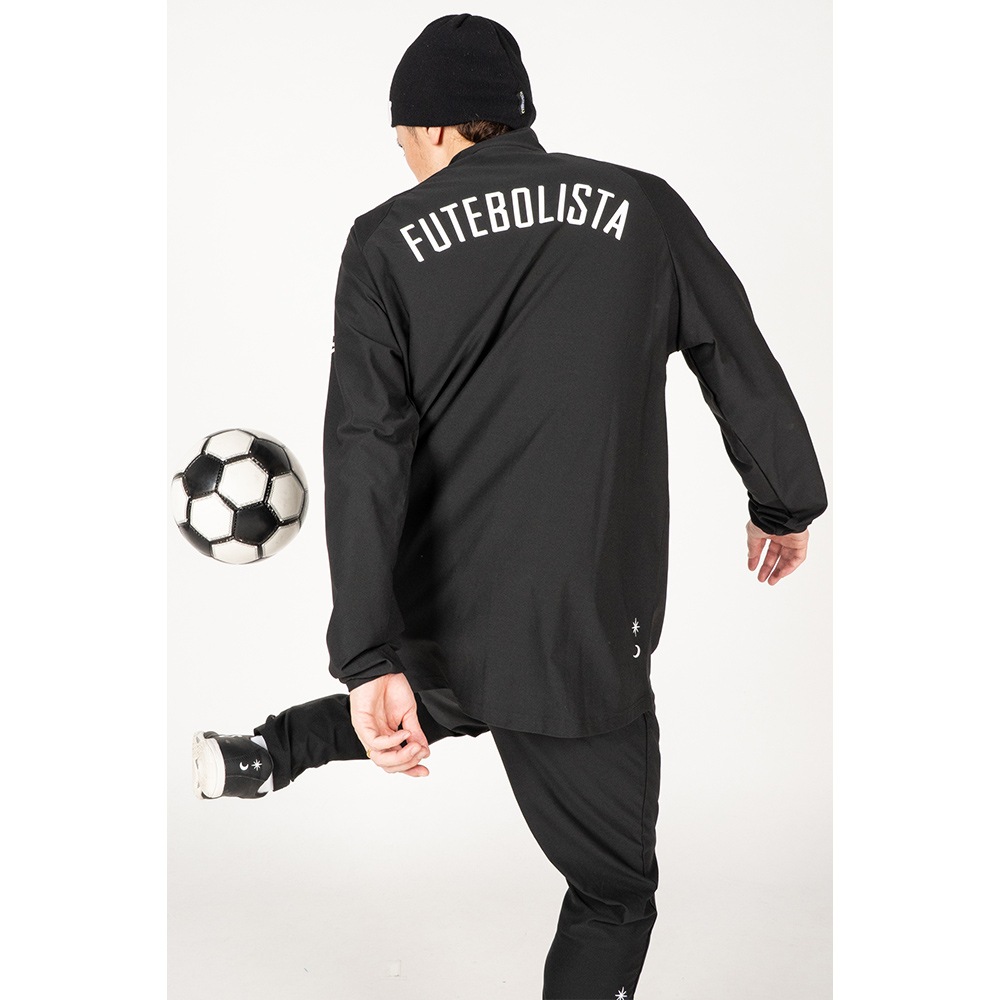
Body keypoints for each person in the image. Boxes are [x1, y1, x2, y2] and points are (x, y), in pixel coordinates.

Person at [191, 13, 828, 999]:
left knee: (443, 687)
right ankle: (291, 744)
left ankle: (272, 751)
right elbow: (731, 350)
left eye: (402, 138)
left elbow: (365, 450)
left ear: (435, 128)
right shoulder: (642, 208)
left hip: (445, 609)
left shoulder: (383, 242)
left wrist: (367, 653)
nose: (404, 158)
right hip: (582, 620)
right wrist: (782, 501)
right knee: (613, 892)